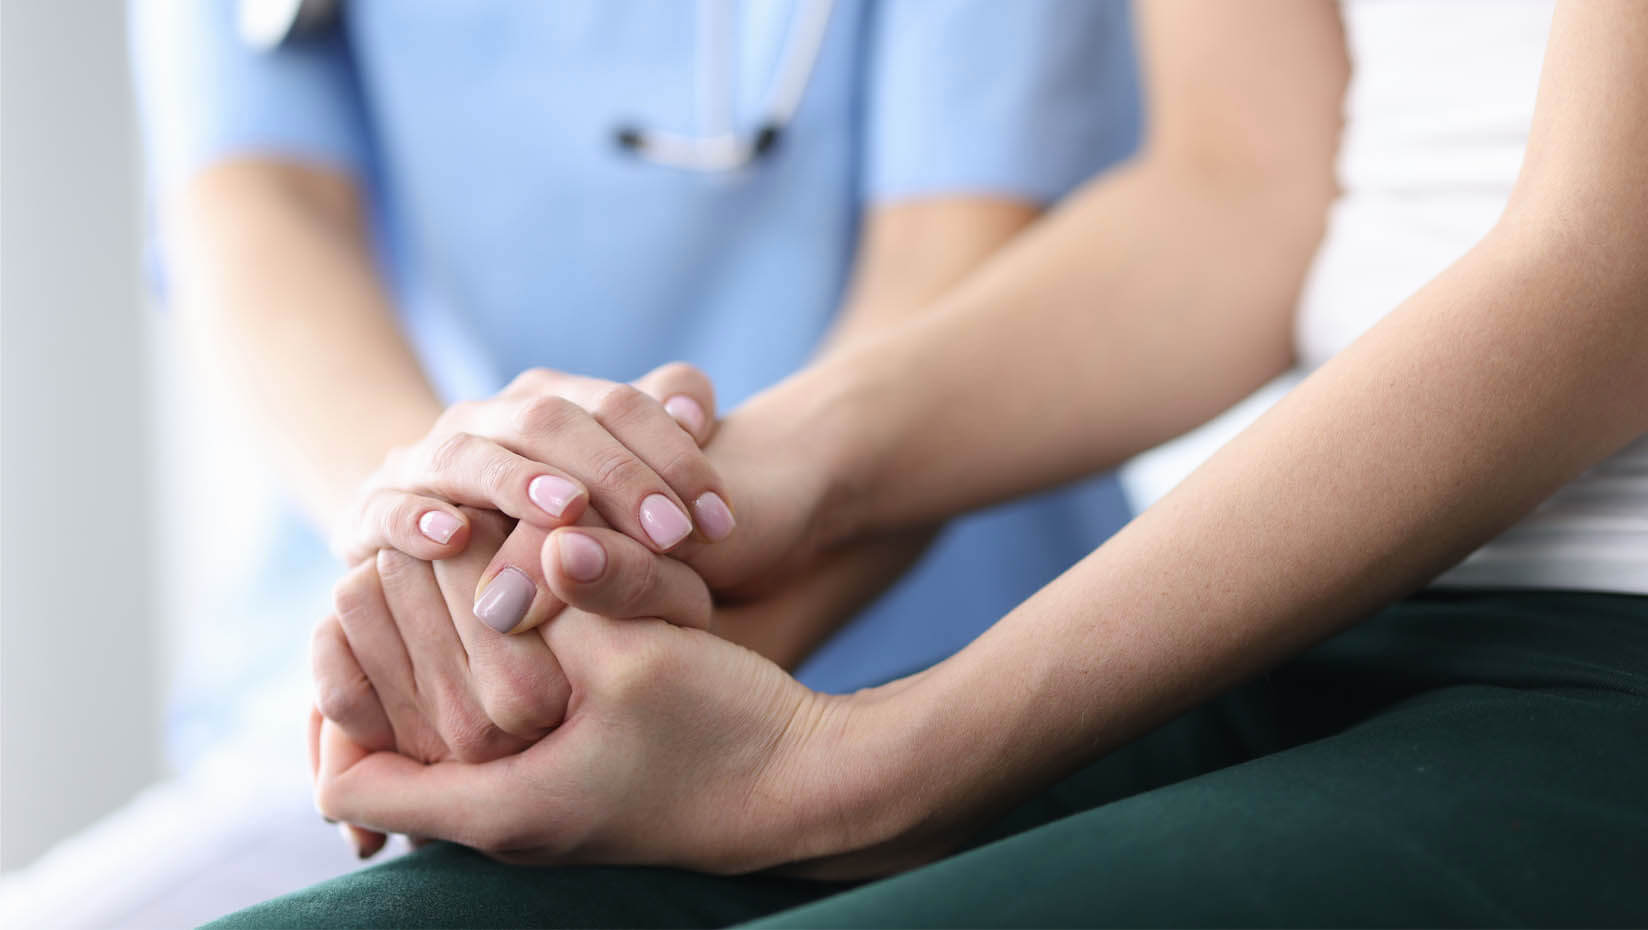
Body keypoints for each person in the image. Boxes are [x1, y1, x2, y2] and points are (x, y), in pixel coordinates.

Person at [216, 0, 1647, 925]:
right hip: (1307, 612)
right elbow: (1243, 187)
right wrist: (709, 489)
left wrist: (858, 770)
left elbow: (1614, 270)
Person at [128, 0, 1140, 737]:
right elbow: (256, 206)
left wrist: (657, 634)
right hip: (378, 651)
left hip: (933, 644)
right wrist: (425, 554)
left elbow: (951, 260)